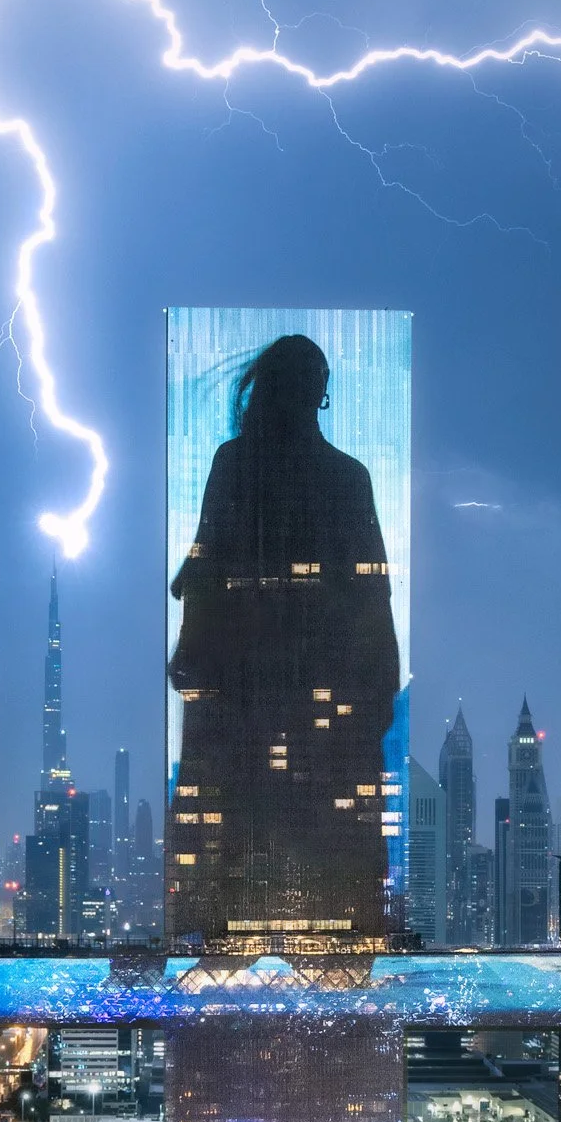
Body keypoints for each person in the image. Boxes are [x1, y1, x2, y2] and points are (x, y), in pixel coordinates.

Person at [168, 333, 398, 949]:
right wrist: (376, 696)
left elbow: (206, 570)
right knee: (310, 842)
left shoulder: (236, 462)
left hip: (247, 695)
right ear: (319, 396)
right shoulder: (346, 478)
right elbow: (374, 599)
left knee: (241, 839)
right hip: (314, 695)